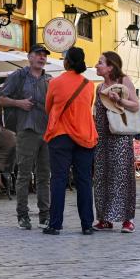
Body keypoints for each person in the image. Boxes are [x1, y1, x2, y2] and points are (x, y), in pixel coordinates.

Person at [43, 47, 98, 236]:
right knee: (84, 180)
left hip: (60, 135)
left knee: (58, 179)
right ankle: (87, 225)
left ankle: (55, 224)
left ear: (67, 62)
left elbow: (48, 107)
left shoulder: (55, 83)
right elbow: (86, 107)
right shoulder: (89, 85)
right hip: (84, 136)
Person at [0, 44, 52, 230]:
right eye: (38, 54)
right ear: (29, 57)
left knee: (44, 175)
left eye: (44, 55)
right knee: (24, 175)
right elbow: (0, 99)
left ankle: (45, 215)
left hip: (47, 131)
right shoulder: (19, 76)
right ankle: (23, 215)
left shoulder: (49, 80)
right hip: (26, 129)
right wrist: (19, 103)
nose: (42, 57)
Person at [93, 51, 140, 233]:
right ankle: (105, 219)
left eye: (100, 62)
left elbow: (136, 105)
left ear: (110, 66)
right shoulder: (99, 87)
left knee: (121, 176)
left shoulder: (123, 81)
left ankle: (127, 219)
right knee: (102, 176)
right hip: (102, 137)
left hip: (120, 136)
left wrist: (120, 100)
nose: (97, 65)